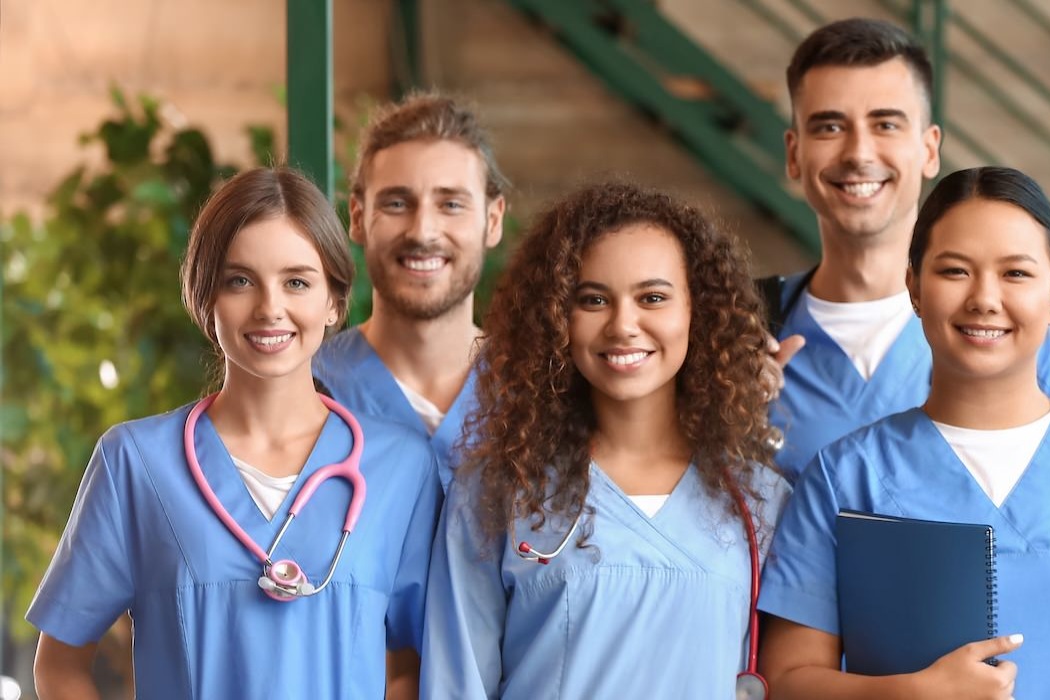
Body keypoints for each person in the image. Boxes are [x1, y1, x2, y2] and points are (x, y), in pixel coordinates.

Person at [758, 167, 1050, 699]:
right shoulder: (843, 476)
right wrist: (915, 694)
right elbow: (790, 680)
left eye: (1016, 274)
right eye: (955, 271)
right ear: (913, 287)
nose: (984, 298)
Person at [29, 168, 442, 698]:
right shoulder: (135, 463)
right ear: (206, 300)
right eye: (239, 280)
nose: (270, 308)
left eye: (297, 281)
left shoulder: (400, 468)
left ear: (333, 302)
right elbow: (59, 665)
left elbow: (410, 664)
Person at [422, 182, 791, 698]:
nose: (623, 325)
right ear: (557, 318)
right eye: (593, 299)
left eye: (653, 298)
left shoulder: (758, 502)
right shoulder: (497, 491)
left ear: (696, 311)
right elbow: (453, 683)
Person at [764, 18, 1050, 481]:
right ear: (793, 154)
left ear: (929, 150)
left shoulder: (1025, 334)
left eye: (886, 123)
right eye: (829, 127)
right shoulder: (743, 337)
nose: (859, 152)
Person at [314, 94, 508, 487]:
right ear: (357, 217)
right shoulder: (307, 388)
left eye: (451, 204)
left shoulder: (537, 394)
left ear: (493, 220)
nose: (422, 232)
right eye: (398, 203)